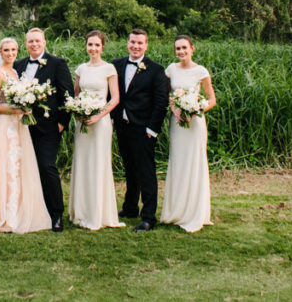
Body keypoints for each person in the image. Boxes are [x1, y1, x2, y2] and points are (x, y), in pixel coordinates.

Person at [0, 37, 51, 234]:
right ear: (0, 52)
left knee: (15, 168)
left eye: (13, 50)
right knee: (1, 167)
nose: (10, 53)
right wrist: (14, 109)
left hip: (17, 126)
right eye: (6, 50)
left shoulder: (15, 73)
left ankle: (15, 210)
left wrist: (25, 107)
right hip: (3, 126)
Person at [13, 27, 73, 232]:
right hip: (22, 127)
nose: (34, 44)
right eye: (30, 41)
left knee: (47, 167)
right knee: (23, 168)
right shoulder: (18, 65)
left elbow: (67, 95)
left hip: (49, 127)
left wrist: (62, 123)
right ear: (26, 44)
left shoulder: (57, 63)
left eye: (38, 41)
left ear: (44, 42)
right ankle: (27, 210)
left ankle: (56, 214)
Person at [111, 28, 169, 232]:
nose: (135, 46)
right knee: (129, 168)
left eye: (140, 43)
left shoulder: (156, 69)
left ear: (146, 45)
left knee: (146, 172)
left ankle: (148, 217)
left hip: (144, 128)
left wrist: (152, 129)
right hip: (122, 125)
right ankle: (130, 207)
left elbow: (161, 102)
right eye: (132, 42)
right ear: (127, 43)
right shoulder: (116, 65)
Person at [67, 30, 125, 230]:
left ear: (102, 47)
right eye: (90, 45)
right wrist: (78, 112)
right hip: (83, 122)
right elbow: (76, 94)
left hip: (100, 122)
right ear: (86, 46)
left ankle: (98, 213)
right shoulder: (81, 69)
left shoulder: (109, 69)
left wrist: (98, 115)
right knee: (83, 162)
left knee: (98, 162)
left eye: (97, 45)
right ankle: (81, 211)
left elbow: (115, 98)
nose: (93, 48)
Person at [161, 35, 217, 232]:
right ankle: (176, 211)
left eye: (184, 47)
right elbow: (167, 96)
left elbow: (211, 99)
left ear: (192, 48)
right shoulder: (171, 70)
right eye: (178, 48)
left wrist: (196, 110)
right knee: (178, 162)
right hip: (177, 122)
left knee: (194, 163)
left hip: (195, 124)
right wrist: (176, 111)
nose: (181, 51)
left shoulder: (201, 71)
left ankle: (194, 212)